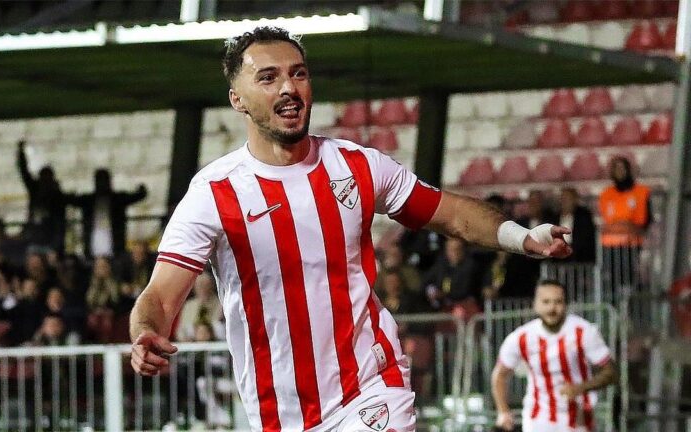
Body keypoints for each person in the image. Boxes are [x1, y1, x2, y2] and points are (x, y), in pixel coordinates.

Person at [129, 26, 572, 432]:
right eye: (268, 78)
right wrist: (145, 332)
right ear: (237, 99)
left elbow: (449, 213)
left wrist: (521, 236)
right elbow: (162, 296)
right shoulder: (212, 193)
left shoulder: (357, 166)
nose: (289, 88)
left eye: (298, 74)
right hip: (279, 412)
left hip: (371, 387)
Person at [491, 280, 617, 431]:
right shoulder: (521, 337)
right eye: (546, 302)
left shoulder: (584, 332)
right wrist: (503, 412)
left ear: (566, 304)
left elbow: (612, 372)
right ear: (535, 305)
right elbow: (500, 375)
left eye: (558, 302)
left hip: (579, 418)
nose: (552, 308)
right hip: (538, 418)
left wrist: (581, 388)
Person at [66, 168, 147, 259]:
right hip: (92, 252)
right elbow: (70, 200)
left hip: (116, 252)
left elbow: (138, 196)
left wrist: (141, 188)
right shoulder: (88, 200)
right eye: (100, 181)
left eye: (104, 181)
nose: (102, 184)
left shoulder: (118, 199)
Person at [598, 156, 651, 292]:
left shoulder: (641, 192)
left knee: (631, 280)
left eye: (622, 168)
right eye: (616, 168)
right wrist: (621, 225)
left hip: (632, 245)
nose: (619, 172)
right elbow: (607, 223)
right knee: (611, 282)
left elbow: (643, 222)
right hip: (609, 247)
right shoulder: (606, 194)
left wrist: (625, 226)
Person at [16, 140, 68, 254]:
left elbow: (60, 224)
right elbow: (24, 172)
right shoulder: (34, 190)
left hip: (49, 243)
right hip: (33, 240)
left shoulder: (57, 198)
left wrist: (55, 247)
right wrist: (20, 153)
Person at [558, 188, 596, 264]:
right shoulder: (554, 217)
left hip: (578, 259)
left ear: (575, 200)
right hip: (558, 258)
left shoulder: (583, 216)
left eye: (568, 199)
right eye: (562, 198)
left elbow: (585, 239)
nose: (564, 202)